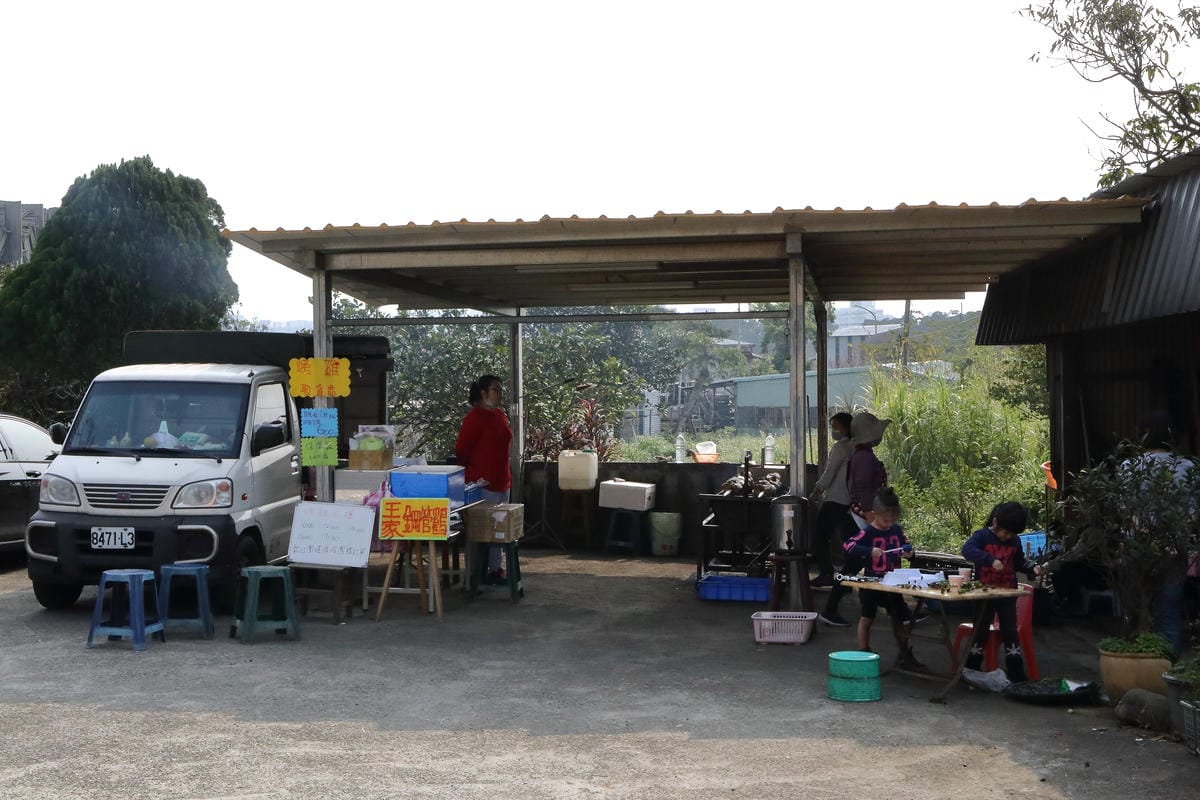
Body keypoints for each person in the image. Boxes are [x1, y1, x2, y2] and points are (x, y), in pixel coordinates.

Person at [961, 501, 1043, 683]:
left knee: (1010, 631)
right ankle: (972, 667)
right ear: (995, 522)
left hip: (1007, 593)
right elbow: (967, 550)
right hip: (983, 593)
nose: (1007, 537)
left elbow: (1020, 562)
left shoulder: (1015, 541)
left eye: (1012, 534)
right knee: (980, 630)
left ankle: (1015, 671)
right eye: (1005, 533)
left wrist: (1033, 567)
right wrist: (989, 560)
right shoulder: (982, 536)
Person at [843, 487, 921, 666]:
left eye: (893, 520)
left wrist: (908, 553)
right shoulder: (868, 532)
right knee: (867, 617)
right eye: (886, 520)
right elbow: (848, 546)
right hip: (873, 582)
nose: (889, 523)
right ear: (875, 514)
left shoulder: (897, 530)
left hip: (893, 583)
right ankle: (863, 652)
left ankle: (904, 653)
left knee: (898, 618)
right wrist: (869, 551)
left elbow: (906, 547)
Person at [454, 374, 513, 580]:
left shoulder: (499, 415)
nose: (500, 394)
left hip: (502, 480)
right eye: (496, 389)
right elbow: (462, 451)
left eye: (500, 389)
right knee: (479, 531)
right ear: (483, 393)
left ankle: (495, 569)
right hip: (481, 483)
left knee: (498, 529)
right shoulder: (474, 419)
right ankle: (474, 575)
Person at [809, 412, 857, 588]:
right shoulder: (857, 446)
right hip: (850, 500)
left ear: (845, 427)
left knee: (820, 537)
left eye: (835, 426)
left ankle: (827, 574)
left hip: (835, 499)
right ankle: (848, 575)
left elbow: (829, 473)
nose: (833, 430)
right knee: (849, 538)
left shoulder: (841, 447)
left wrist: (816, 491)